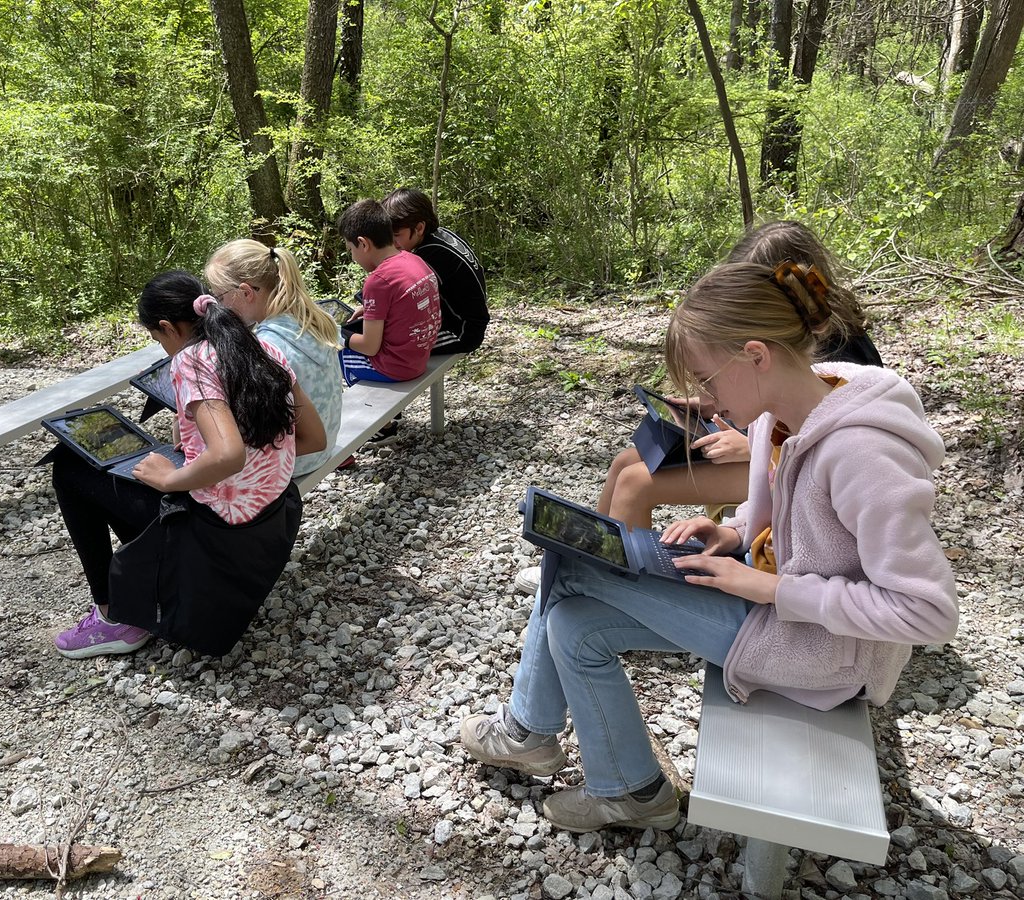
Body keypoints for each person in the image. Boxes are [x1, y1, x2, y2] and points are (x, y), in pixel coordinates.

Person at [462, 259, 958, 834]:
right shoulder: (785, 410)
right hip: (768, 603)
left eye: (707, 379)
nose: (706, 399)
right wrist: (736, 532)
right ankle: (630, 790)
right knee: (573, 622)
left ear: (756, 355)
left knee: (571, 569)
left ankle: (527, 730)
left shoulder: (861, 455)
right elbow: (789, 513)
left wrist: (773, 587)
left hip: (820, 651)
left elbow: (929, 611)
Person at [517, 221, 885, 593]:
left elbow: (820, 434)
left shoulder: (839, 353)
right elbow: (773, 405)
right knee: (625, 462)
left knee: (636, 483)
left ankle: (619, 595)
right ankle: (592, 555)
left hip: (777, 465)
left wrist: (745, 445)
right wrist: (713, 403)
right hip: (763, 451)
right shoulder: (803, 336)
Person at [50, 270, 326, 660]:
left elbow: (229, 455)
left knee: (68, 466)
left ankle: (114, 616)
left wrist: (172, 479)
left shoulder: (191, 361)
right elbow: (315, 438)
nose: (162, 347)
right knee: (148, 466)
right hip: (272, 518)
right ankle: (150, 584)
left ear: (167, 327)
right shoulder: (260, 348)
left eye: (156, 339)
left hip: (216, 528)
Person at [203, 239, 343, 477]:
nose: (219, 307)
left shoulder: (267, 347)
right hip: (324, 447)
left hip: (295, 461)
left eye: (220, 297)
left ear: (246, 292)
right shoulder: (313, 318)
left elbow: (254, 426)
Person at [336, 199, 441, 387]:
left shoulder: (378, 281)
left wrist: (337, 335)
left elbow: (370, 346)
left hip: (396, 368)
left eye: (351, 249)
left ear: (363, 243)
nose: (353, 257)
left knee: (337, 354)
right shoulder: (415, 260)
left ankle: (374, 414)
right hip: (420, 357)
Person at [382, 187, 488, 355]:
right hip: (469, 320)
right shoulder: (441, 235)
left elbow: (404, 295)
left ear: (419, 228)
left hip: (462, 332)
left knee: (387, 346)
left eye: (397, 235)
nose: (393, 243)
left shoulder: (430, 254)